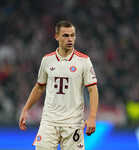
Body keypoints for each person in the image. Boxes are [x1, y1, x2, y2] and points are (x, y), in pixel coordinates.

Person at [19, 20, 99, 150]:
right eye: (65, 35)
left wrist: (92, 117)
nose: (70, 39)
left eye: (72, 35)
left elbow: (92, 90)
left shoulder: (84, 61)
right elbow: (39, 87)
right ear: (56, 36)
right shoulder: (47, 60)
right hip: (49, 122)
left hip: (73, 123)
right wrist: (25, 109)